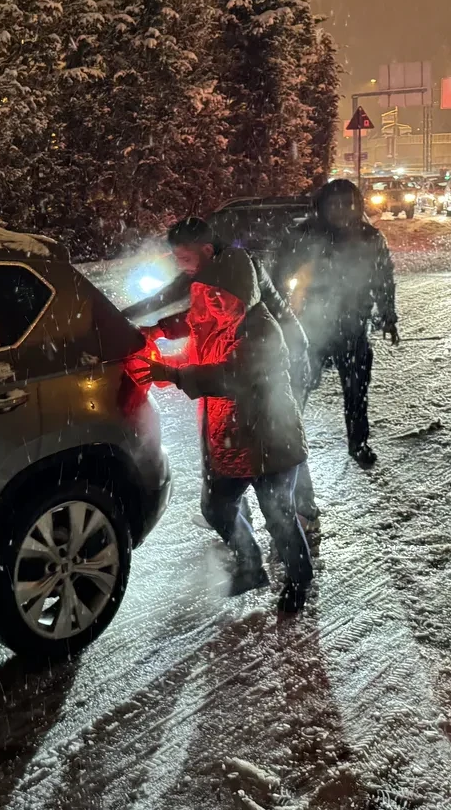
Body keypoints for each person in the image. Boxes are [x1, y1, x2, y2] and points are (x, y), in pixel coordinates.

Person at [131, 217, 314, 613]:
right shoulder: (216, 306)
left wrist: (175, 374)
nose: (208, 306)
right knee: (215, 507)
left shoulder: (259, 328)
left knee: (278, 514)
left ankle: (299, 582)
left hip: (266, 433)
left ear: (234, 295)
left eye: (218, 300)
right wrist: (160, 330)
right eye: (207, 299)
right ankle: (250, 565)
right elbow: (194, 322)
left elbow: (233, 377)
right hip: (231, 435)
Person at [123, 236, 319, 522]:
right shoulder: (210, 277)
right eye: (177, 258)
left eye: (185, 258)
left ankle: (301, 512)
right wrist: (153, 328)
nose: (181, 265)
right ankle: (239, 513)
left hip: (281, 358)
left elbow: (226, 367)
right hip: (253, 365)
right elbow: (200, 315)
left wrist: (174, 373)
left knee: (277, 444)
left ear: (205, 250)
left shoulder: (238, 274)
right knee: (236, 440)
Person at [275, 180, 399, 467]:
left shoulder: (369, 237)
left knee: (356, 389)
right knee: (300, 383)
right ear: (322, 207)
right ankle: (287, 442)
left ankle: (359, 443)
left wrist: (388, 316)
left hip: (353, 325)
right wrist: (279, 316)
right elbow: (279, 274)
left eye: (348, 204)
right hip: (310, 326)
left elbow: (383, 279)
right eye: (335, 204)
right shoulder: (304, 236)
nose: (342, 210)